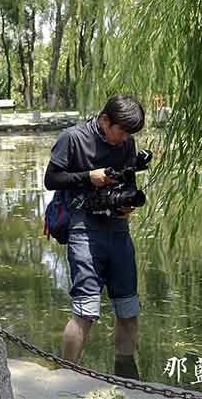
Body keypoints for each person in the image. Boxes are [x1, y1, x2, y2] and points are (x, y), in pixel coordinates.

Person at [43, 95, 145, 380]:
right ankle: (66, 377)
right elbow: (51, 180)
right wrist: (89, 177)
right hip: (83, 228)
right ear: (104, 120)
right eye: (120, 131)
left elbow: (129, 183)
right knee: (86, 310)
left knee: (128, 308)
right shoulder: (72, 138)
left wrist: (127, 206)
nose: (124, 138)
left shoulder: (125, 143)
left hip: (118, 230)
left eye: (129, 134)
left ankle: (127, 377)